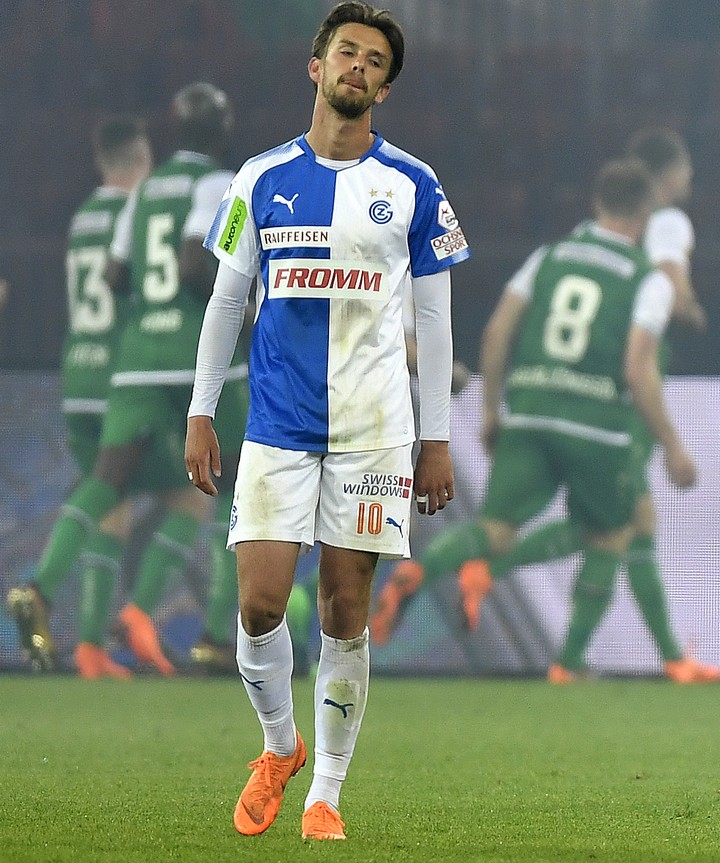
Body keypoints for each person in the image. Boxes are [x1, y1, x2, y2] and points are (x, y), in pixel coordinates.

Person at [185, 1, 466, 841]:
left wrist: (437, 434)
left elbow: (437, 322)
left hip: (375, 430)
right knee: (262, 604)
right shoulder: (258, 178)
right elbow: (227, 299)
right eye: (346, 52)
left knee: (345, 607)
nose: (358, 67)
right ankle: (280, 748)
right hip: (275, 423)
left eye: (374, 60)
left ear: (384, 84)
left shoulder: (413, 184)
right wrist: (202, 411)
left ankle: (326, 798)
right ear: (316, 68)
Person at [370, 129, 720, 685]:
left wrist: (490, 411)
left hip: (529, 409)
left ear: (596, 204)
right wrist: (675, 446)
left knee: (497, 526)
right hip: (600, 422)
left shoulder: (550, 256)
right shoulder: (647, 274)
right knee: (614, 533)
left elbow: (496, 331)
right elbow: (637, 367)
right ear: (648, 209)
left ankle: (422, 569)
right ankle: (572, 662)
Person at [8, 86, 249, 678]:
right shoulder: (226, 186)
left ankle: (44, 591)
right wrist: (244, 310)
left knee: (109, 483)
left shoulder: (140, 195)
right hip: (198, 359)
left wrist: (154, 308)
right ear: (223, 131)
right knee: (230, 483)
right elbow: (199, 264)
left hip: (135, 360)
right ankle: (217, 635)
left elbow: (115, 278)